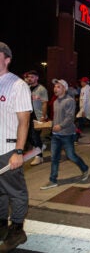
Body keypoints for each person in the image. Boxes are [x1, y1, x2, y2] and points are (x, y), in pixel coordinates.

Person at [0, 42, 32, 251]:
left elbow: (24, 121)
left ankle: (18, 230)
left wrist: (19, 151)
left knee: (16, 192)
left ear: (7, 59)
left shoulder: (17, 85)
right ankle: (2, 225)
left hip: (8, 148)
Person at [40, 79, 90, 190]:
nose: (55, 88)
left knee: (71, 155)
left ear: (64, 88)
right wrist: (48, 122)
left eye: (58, 86)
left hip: (67, 134)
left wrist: (60, 126)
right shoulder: (55, 101)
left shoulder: (69, 101)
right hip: (55, 134)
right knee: (54, 158)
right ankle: (53, 180)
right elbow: (57, 117)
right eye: (55, 86)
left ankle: (85, 168)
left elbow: (69, 117)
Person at [25, 70, 49, 166]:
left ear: (37, 78)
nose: (30, 78)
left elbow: (44, 103)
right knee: (28, 136)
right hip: (28, 116)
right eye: (29, 77)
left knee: (35, 136)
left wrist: (43, 116)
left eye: (32, 77)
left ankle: (39, 156)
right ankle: (40, 146)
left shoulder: (41, 89)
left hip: (38, 116)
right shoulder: (27, 88)